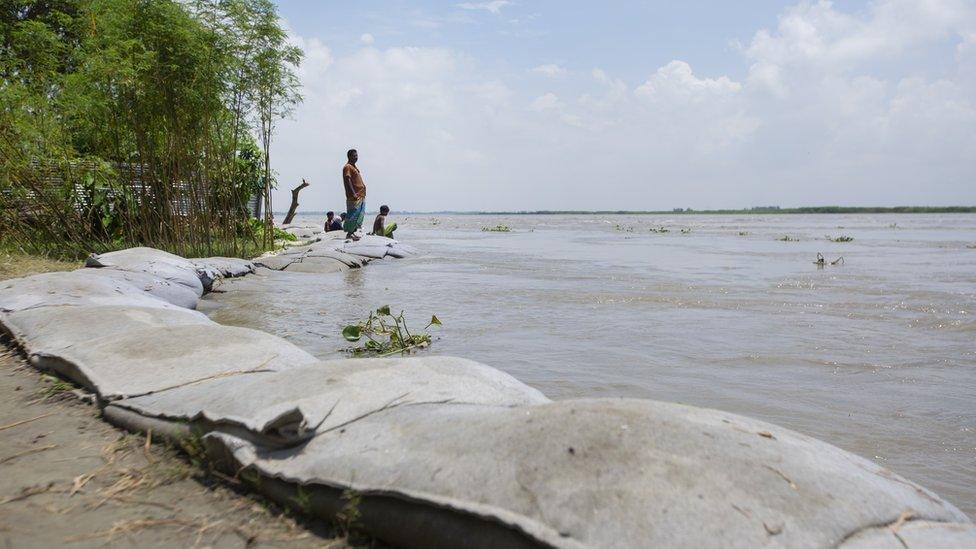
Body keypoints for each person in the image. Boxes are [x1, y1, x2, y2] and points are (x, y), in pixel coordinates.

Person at [342, 149, 366, 240]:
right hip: (354, 195)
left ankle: (353, 232)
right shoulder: (347, 167)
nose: (356, 157)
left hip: (360, 194)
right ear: (349, 156)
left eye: (357, 155)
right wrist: (353, 193)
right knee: (353, 214)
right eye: (354, 155)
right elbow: (348, 180)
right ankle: (349, 233)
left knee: (359, 215)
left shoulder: (354, 167)